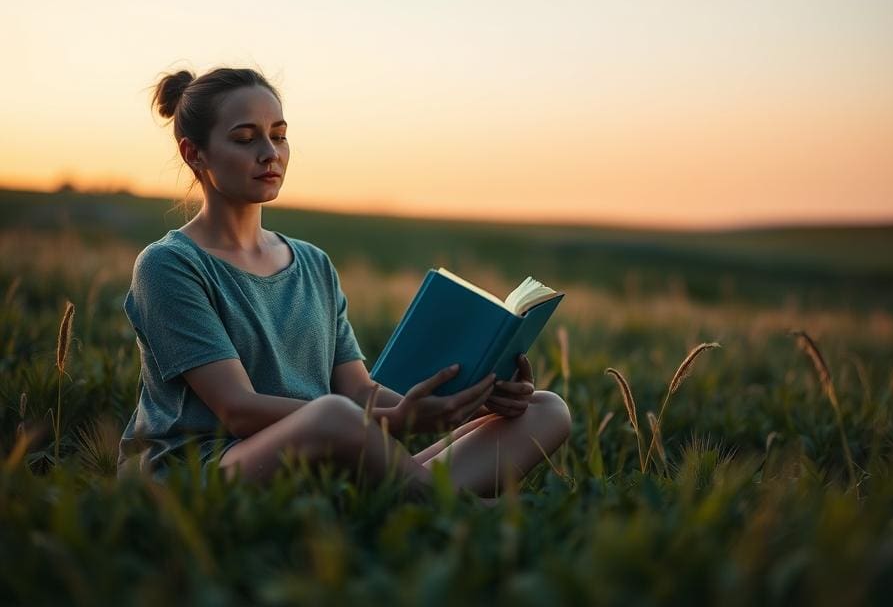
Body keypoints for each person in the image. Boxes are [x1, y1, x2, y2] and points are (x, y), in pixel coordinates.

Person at [117, 66, 571, 498]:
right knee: (331, 416)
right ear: (194, 153)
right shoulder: (169, 265)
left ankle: (408, 495)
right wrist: (396, 422)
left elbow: (359, 390)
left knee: (546, 409)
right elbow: (238, 408)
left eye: (279, 136)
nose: (270, 154)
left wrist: (474, 403)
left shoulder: (313, 263)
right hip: (207, 472)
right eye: (244, 138)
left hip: (327, 455)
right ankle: (453, 508)